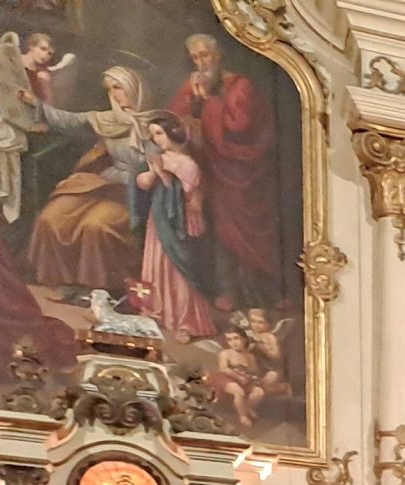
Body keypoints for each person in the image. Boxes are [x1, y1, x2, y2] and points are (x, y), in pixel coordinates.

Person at [168, 32, 283, 310]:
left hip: (241, 174)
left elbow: (239, 127)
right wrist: (191, 109)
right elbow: (173, 120)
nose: (201, 62)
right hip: (209, 173)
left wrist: (207, 101)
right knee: (216, 231)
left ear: (218, 56)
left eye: (205, 55)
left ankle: (261, 296)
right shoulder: (194, 85)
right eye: (195, 57)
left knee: (242, 234)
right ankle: (224, 291)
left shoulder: (240, 86)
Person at [28, 67, 150, 295]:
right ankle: (65, 281)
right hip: (105, 181)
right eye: (109, 89)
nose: (114, 94)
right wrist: (34, 103)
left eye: (118, 87)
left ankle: (98, 289)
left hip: (137, 191)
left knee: (95, 226)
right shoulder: (106, 119)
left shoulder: (155, 123)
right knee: (51, 218)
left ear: (133, 87)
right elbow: (66, 119)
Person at [130, 114, 214, 342]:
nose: (156, 139)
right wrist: (152, 172)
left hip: (179, 223)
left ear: (173, 133)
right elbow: (143, 184)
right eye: (153, 135)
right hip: (158, 221)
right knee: (156, 266)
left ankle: (186, 322)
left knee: (178, 270)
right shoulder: (159, 158)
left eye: (159, 133)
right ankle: (157, 312)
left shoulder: (188, 164)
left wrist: (162, 173)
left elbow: (183, 194)